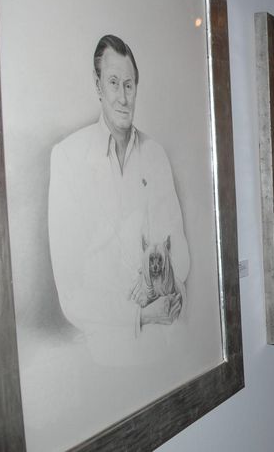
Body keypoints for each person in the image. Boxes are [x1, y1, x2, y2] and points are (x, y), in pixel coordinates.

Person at [48, 34, 190, 359]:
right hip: (106, 355)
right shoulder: (68, 157)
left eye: (130, 85)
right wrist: (140, 315)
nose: (123, 98)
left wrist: (156, 283)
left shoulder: (155, 155)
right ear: (98, 86)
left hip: (164, 348)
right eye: (114, 83)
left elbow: (180, 249)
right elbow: (71, 294)